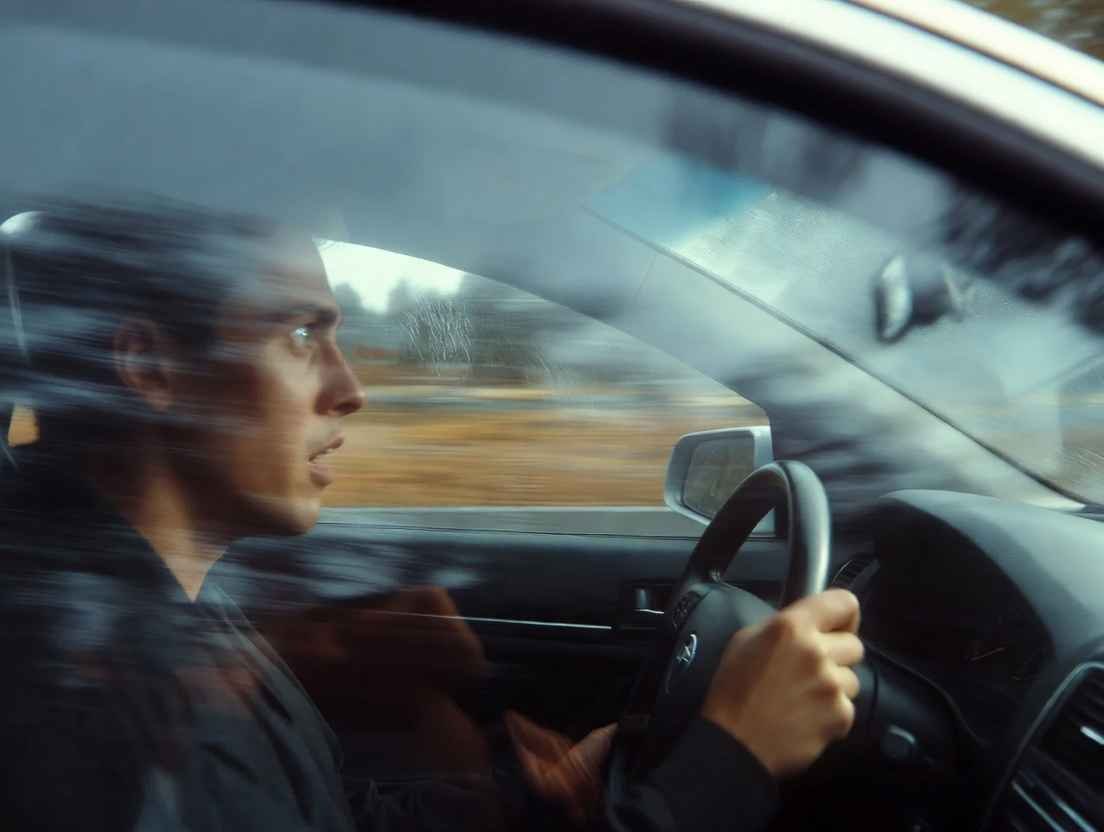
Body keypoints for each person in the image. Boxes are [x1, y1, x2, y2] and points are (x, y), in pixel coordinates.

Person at [0, 200, 863, 831]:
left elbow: (316, 813)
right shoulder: (86, 706)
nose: (352, 389)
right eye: (301, 336)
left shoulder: (163, 601)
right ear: (150, 369)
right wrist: (724, 772)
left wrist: (534, 799)